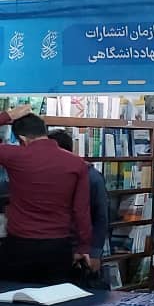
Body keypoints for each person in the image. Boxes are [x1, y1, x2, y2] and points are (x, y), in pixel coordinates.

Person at [0, 105, 91, 284]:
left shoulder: (14, 156)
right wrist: (84, 247)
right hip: (58, 247)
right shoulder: (77, 163)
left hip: (20, 245)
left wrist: (7, 115)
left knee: (13, 297)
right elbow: (81, 210)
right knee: (56, 299)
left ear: (22, 139)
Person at [48, 129, 108, 271]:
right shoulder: (48, 173)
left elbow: (101, 217)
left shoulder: (91, 176)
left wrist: (94, 253)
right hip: (55, 245)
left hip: (80, 250)